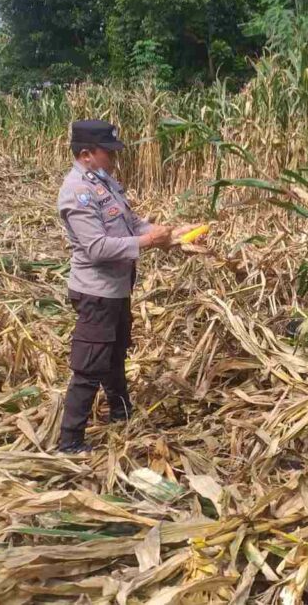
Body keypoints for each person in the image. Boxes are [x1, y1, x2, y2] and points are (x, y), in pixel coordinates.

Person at [56, 119, 189, 455]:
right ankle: (70, 442)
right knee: (89, 366)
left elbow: (130, 223)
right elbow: (97, 247)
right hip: (96, 292)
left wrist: (170, 235)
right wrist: (147, 241)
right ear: (86, 154)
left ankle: (121, 412)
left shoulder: (106, 184)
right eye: (108, 153)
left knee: (115, 356)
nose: (114, 159)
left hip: (117, 290)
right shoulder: (77, 192)